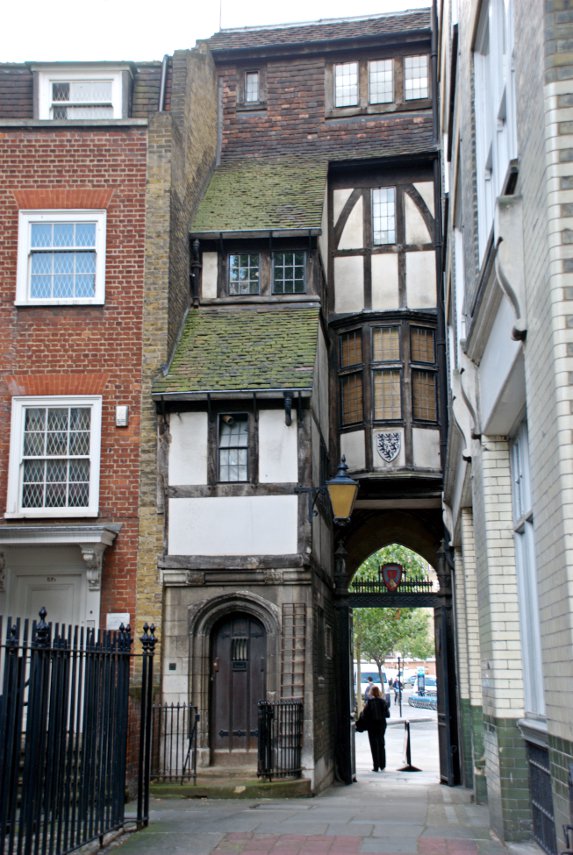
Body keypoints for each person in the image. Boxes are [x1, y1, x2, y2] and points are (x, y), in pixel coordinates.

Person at [362, 685, 390, 772]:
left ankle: (376, 766)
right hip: (381, 724)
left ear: (371, 692)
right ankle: (382, 765)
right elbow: (387, 714)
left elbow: (364, 715)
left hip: (372, 725)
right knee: (381, 744)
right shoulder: (383, 702)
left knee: (374, 745)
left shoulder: (370, 703)